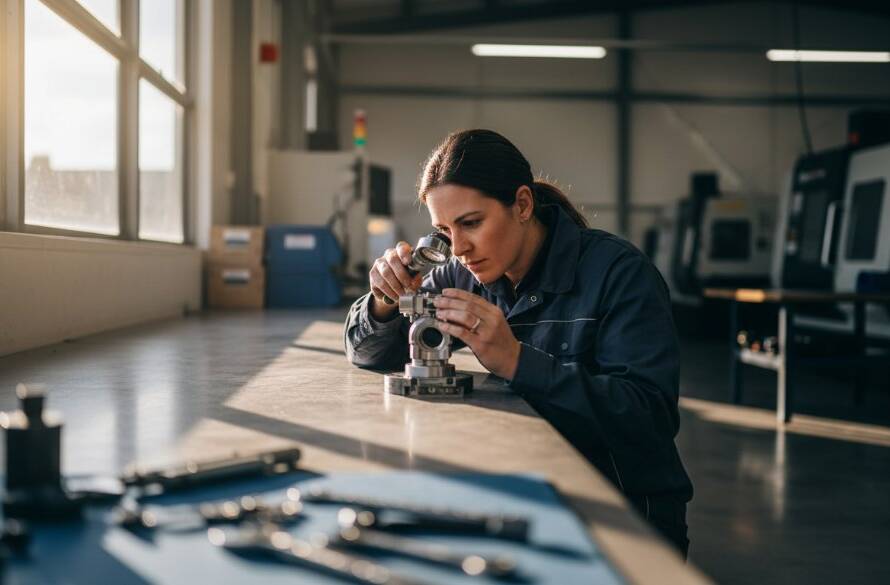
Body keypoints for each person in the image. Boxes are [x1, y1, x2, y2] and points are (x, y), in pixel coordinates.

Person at [343, 129, 693, 557]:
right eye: (443, 231)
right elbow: (369, 354)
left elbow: (648, 418)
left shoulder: (619, 274)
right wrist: (382, 302)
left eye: (471, 223)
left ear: (522, 204)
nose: (458, 247)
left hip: (625, 516)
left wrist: (516, 360)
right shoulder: (462, 272)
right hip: (528, 500)